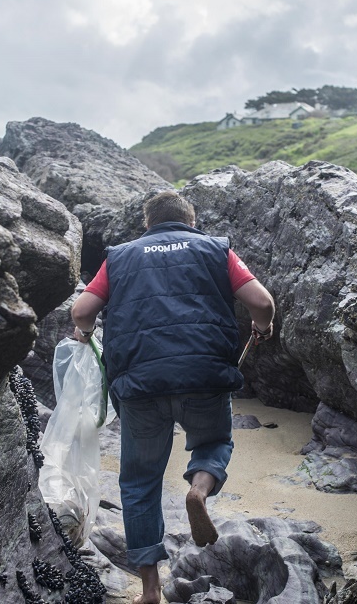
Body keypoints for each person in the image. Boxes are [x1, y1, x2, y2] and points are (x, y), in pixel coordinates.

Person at [70, 190, 275, 604]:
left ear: (147, 224)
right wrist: (262, 326)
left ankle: (150, 589)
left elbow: (81, 311)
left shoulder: (121, 256)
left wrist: (86, 332)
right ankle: (198, 489)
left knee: (140, 483)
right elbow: (262, 301)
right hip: (203, 377)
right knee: (214, 442)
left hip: (140, 387)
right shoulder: (216, 250)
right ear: (192, 221)